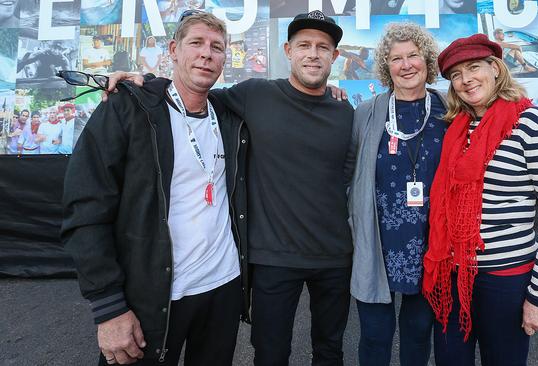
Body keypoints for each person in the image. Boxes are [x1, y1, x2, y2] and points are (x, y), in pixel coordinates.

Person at [108, 10, 354, 366]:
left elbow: (345, 174)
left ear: (335, 56)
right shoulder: (254, 94)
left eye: (323, 47)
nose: (313, 54)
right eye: (304, 45)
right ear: (288, 50)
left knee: (330, 351)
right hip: (273, 259)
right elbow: (191, 89)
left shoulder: (345, 111)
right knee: (270, 354)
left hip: (334, 256)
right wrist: (141, 80)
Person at [61, 11, 249, 366]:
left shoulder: (229, 115)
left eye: (217, 47)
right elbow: (85, 208)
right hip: (152, 296)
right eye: (196, 43)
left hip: (222, 289)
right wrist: (108, 306)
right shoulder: (128, 106)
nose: (206, 54)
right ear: (174, 50)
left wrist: (327, 88)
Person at [422, 34, 538, 366]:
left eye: (473, 68)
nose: (466, 80)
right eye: (456, 75)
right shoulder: (456, 127)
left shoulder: (534, 124)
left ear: (495, 68)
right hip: (453, 273)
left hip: (505, 280)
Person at [348, 22, 447, 366]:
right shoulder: (367, 112)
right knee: (375, 336)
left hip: (430, 243)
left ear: (427, 60)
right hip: (378, 242)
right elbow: (350, 171)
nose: (406, 65)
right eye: (395, 58)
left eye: (413, 56)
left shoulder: (450, 111)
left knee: (419, 332)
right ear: (386, 66)